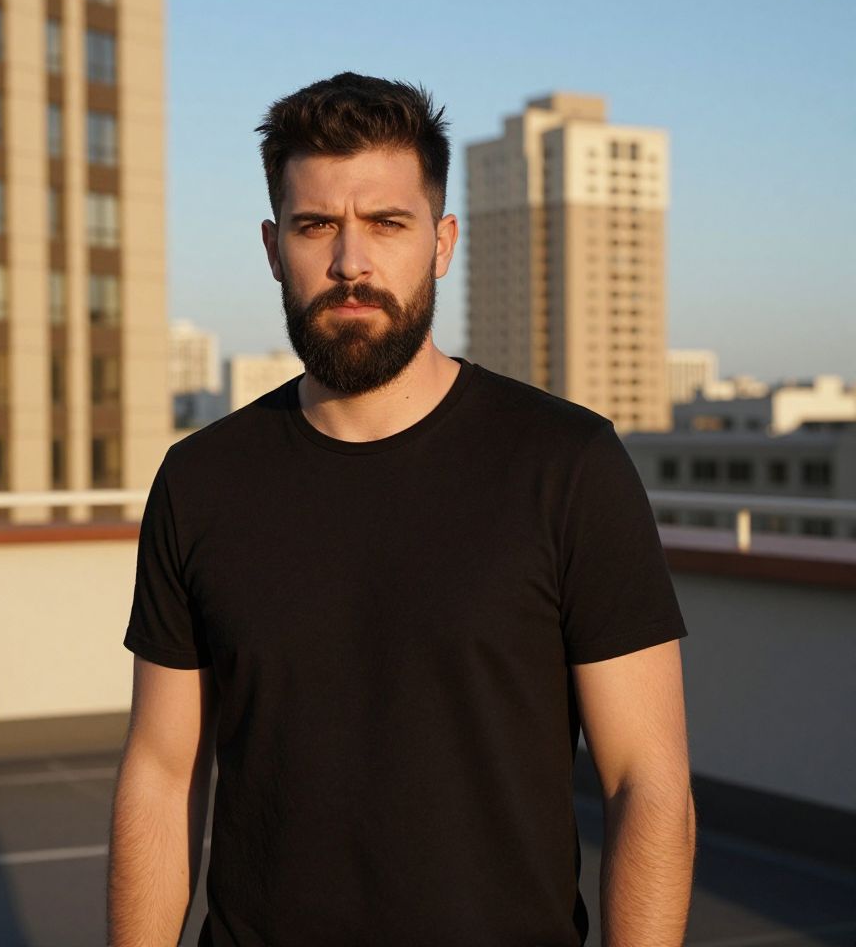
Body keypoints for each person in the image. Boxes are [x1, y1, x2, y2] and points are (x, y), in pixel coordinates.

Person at [107, 72, 695, 947]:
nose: (352, 263)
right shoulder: (199, 481)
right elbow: (160, 774)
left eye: (387, 223)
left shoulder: (567, 464)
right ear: (274, 247)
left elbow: (648, 783)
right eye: (317, 227)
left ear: (442, 241)